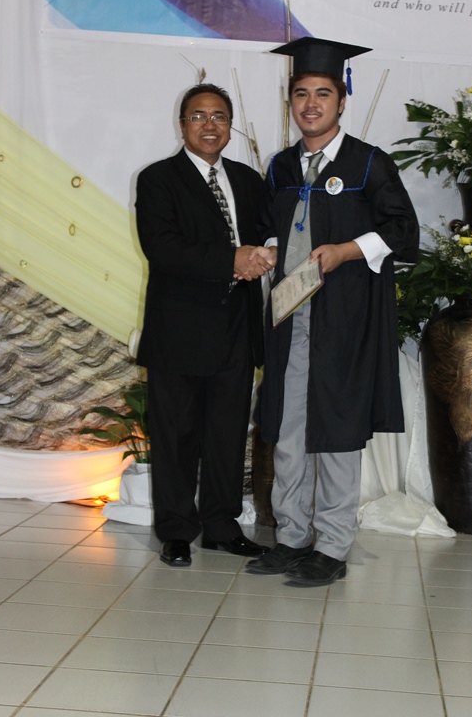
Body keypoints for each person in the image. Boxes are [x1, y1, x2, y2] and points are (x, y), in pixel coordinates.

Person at [247, 38, 419, 585]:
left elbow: (403, 232)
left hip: (345, 320)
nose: (311, 104)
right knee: (289, 430)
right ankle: (292, 536)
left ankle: (333, 546)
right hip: (290, 316)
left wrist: (346, 250)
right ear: (290, 101)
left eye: (323, 93)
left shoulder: (368, 163)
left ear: (342, 101)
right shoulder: (280, 166)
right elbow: (269, 229)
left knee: (337, 431)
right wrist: (267, 250)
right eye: (301, 94)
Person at [135, 83, 272, 567]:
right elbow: (163, 248)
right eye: (198, 116)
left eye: (219, 117)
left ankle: (220, 526)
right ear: (182, 125)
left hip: (237, 324)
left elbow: (267, 234)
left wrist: (269, 253)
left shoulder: (248, 180)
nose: (209, 125)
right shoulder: (158, 179)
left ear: (231, 126)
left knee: (227, 432)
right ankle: (176, 531)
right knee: (175, 434)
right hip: (180, 328)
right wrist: (232, 259)